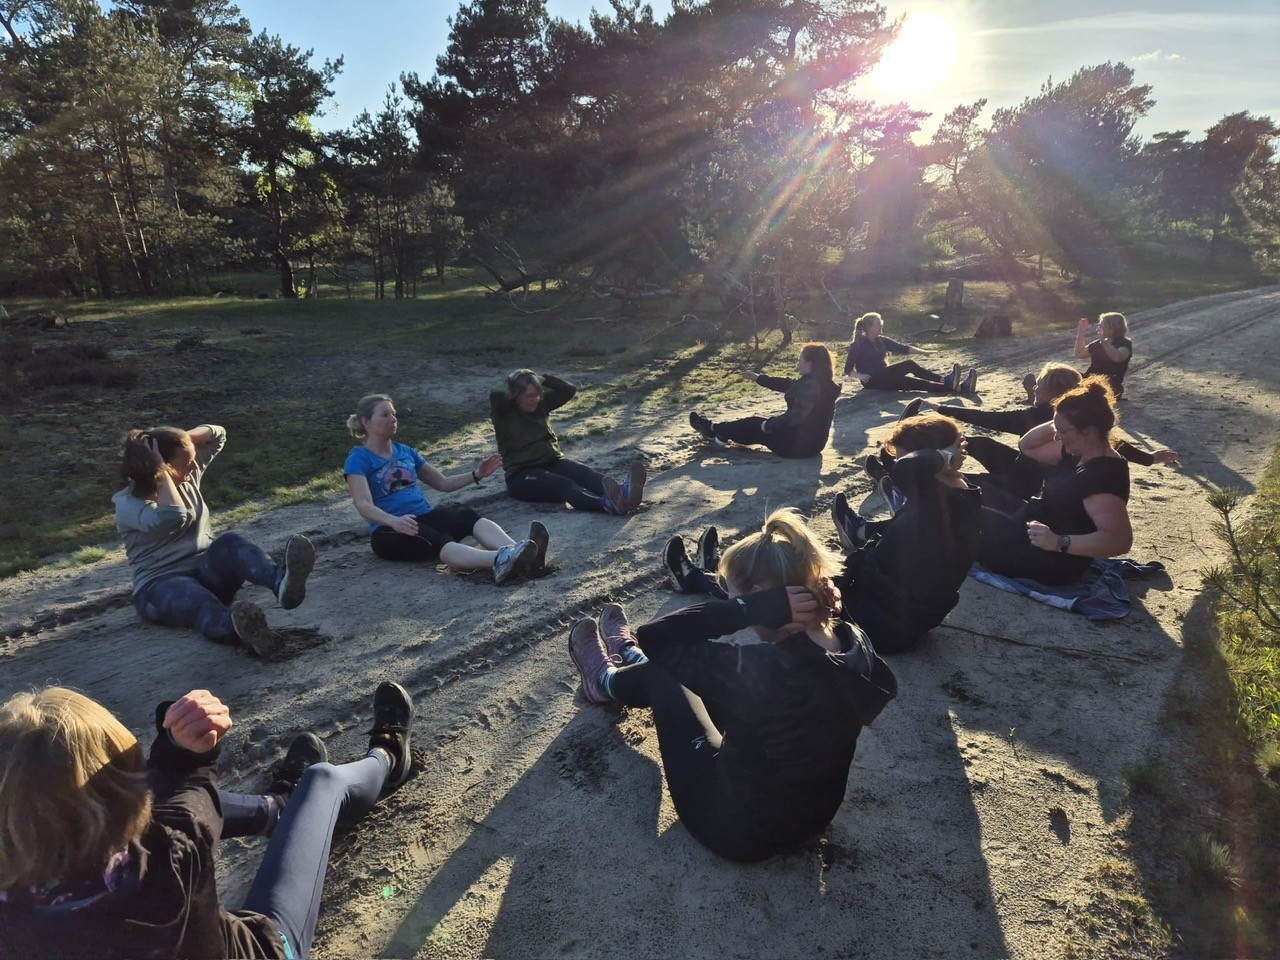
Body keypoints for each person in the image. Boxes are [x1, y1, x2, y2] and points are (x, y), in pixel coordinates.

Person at [568, 509, 897, 863]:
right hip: (812, 818)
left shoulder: (760, 668)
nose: (731, 601)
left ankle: (604, 682)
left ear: (760, 598)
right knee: (701, 673)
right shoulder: (852, 642)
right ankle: (630, 660)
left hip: (735, 829)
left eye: (736, 595)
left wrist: (745, 610)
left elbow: (656, 636)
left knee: (665, 673)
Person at [0, 680, 415, 959]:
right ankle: (388, 758)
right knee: (322, 780)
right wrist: (184, 748)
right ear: (124, 789)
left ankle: (276, 807)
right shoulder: (170, 853)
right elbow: (185, 792)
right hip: (263, 949)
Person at [113, 424, 315, 658]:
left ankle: (283, 585)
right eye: (185, 462)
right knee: (199, 601)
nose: (194, 466)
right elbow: (174, 516)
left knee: (229, 542)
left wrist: (181, 440)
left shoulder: (186, 477)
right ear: (162, 466)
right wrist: (160, 470)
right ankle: (245, 632)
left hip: (207, 572)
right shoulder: (129, 505)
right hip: (160, 586)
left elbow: (218, 434)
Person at [345, 394, 543, 585]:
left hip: (422, 516)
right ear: (366, 422)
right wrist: (393, 521)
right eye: (385, 415)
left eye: (394, 414)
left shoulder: (405, 451)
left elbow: (443, 483)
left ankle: (520, 550)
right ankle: (501, 559)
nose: (393, 419)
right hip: (388, 530)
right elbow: (362, 504)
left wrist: (477, 474)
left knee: (466, 516)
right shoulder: (359, 458)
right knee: (440, 539)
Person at [829, 415, 983, 654]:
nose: (901, 474)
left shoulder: (948, 504)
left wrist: (947, 456)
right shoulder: (944, 495)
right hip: (883, 608)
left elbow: (906, 468)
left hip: (881, 623)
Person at [977, 376, 1133, 585]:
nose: (1057, 437)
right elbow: (1027, 446)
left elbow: (1119, 540)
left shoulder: (1103, 478)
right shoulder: (1076, 451)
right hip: (1030, 524)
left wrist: (1059, 542)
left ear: (1088, 431)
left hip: (1049, 558)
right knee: (972, 492)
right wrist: (1063, 417)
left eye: (1062, 432)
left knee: (960, 511)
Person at [490, 370, 645, 515]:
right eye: (529, 396)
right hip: (521, 475)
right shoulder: (503, 411)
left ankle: (623, 494)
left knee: (584, 473)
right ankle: (607, 505)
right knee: (564, 485)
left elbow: (568, 390)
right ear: (515, 395)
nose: (534, 400)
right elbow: (495, 392)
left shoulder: (541, 405)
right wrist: (516, 377)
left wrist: (543, 379)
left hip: (551, 462)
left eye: (537, 395)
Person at [689, 342, 842, 458]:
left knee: (756, 424)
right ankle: (720, 432)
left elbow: (795, 416)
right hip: (815, 444)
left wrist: (768, 424)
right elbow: (788, 384)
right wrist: (758, 378)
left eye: (799, 360)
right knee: (757, 431)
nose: (798, 364)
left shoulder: (810, 385)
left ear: (809, 364)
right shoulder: (821, 383)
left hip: (799, 447)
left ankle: (713, 429)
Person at [842, 312, 975, 394]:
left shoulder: (882, 341)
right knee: (909, 365)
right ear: (869, 327)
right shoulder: (857, 345)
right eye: (878, 324)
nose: (881, 325)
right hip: (871, 380)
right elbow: (847, 369)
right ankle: (944, 380)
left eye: (881, 323)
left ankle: (959, 389)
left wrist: (923, 352)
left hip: (886, 376)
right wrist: (860, 375)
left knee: (916, 384)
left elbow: (903, 348)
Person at [1075, 311, 1132, 399]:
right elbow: (1079, 354)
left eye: (1101, 326)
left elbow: (1117, 358)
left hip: (1110, 386)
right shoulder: (1098, 344)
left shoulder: (1124, 344)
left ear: (1111, 329)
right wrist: (1081, 334)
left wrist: (1104, 342)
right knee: (1063, 374)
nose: (1098, 329)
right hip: (1089, 380)